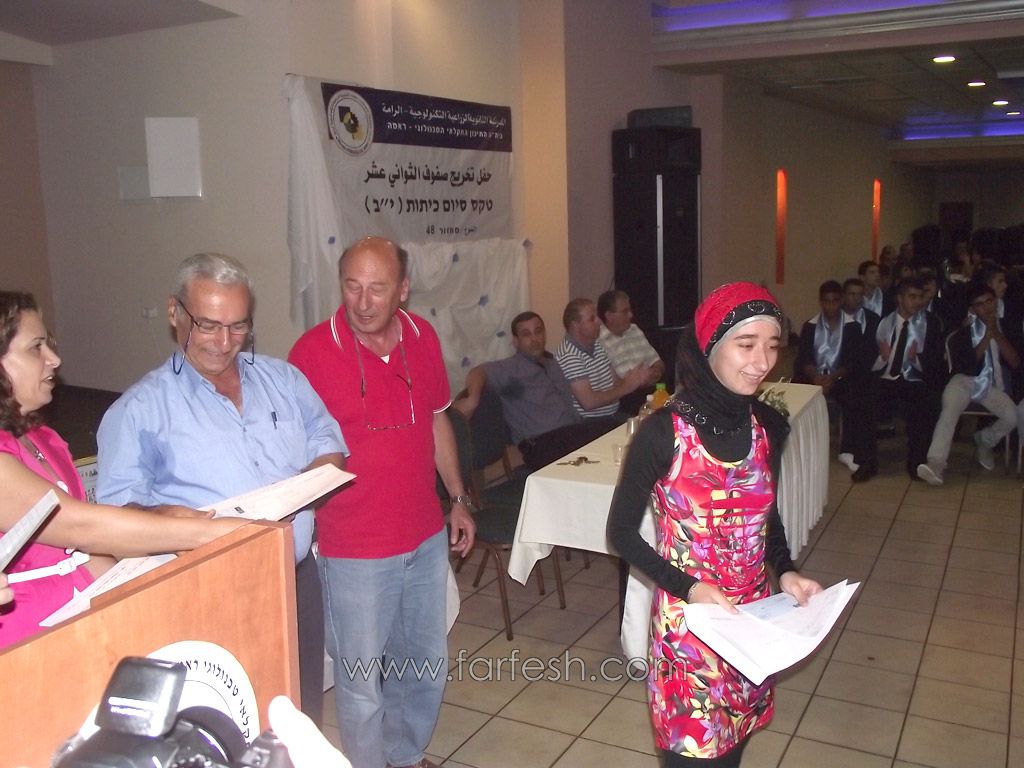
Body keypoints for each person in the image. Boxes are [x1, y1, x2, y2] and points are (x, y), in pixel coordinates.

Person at [96, 253, 347, 727]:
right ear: (175, 313)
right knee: (236, 721)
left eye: (238, 327)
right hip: (211, 591)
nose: (225, 342)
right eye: (208, 326)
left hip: (296, 578)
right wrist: (166, 517)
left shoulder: (282, 379)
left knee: (302, 713)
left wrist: (310, 480)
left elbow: (326, 438)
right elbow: (112, 518)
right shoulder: (138, 410)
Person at [607, 282, 821, 767]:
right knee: (693, 755)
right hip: (690, 628)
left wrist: (786, 570)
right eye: (746, 345)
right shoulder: (664, 432)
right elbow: (620, 533)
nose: (762, 362)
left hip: (751, 621)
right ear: (710, 348)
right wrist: (690, 587)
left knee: (734, 748)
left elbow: (764, 515)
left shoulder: (765, 427)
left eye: (772, 345)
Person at [288, 236, 475, 768]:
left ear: (403, 290)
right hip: (354, 547)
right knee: (362, 681)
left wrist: (458, 497)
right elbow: (294, 450)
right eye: (352, 287)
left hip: (424, 533)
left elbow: (437, 420)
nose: (362, 302)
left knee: (424, 664)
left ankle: (406, 755)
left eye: (377, 288)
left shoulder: (422, 336)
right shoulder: (311, 353)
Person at [0, 291, 245, 648]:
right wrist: (206, 534)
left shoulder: (45, 439)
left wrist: (153, 601)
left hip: (80, 626)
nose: (54, 359)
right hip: (25, 641)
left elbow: (87, 553)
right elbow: (79, 526)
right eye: (36, 348)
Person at [454, 311, 620, 471]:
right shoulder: (510, 368)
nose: (534, 339)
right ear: (516, 341)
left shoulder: (551, 362)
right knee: (610, 439)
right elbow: (477, 372)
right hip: (541, 443)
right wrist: (472, 399)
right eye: (526, 334)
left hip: (571, 431)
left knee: (618, 429)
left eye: (538, 331)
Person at [917, 283, 1020, 485]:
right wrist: (985, 338)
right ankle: (936, 463)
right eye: (980, 304)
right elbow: (966, 368)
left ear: (996, 302)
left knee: (1013, 417)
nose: (986, 308)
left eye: (989, 301)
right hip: (965, 381)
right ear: (973, 308)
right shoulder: (964, 332)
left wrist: (997, 335)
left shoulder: (1009, 326)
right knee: (950, 409)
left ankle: (985, 441)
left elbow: (1016, 363)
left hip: (993, 387)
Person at [855, 277, 945, 482]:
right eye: (912, 297)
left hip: (915, 379)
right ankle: (867, 462)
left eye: (920, 297)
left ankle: (916, 462)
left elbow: (936, 363)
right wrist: (882, 357)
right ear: (899, 298)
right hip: (886, 378)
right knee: (863, 401)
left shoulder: (930, 323)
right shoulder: (881, 322)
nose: (917, 302)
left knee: (927, 403)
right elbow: (865, 361)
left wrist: (916, 360)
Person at [794, 280, 869, 473]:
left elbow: (852, 360)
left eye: (835, 301)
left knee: (855, 394)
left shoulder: (852, 327)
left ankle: (847, 450)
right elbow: (804, 358)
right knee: (797, 392)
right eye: (827, 301)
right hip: (814, 377)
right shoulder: (810, 326)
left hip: (840, 377)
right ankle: (801, 446)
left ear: (841, 300)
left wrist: (832, 377)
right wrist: (816, 377)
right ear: (821, 302)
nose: (831, 306)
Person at [556, 297, 646, 419]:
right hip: (589, 422)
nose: (599, 321)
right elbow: (588, 402)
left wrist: (634, 378)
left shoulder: (596, 345)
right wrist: (626, 387)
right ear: (575, 325)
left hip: (612, 414)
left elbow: (615, 382)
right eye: (592, 319)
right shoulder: (569, 355)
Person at [597, 289, 665, 413]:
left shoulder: (634, 330)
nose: (630, 315)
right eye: (625, 311)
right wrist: (636, 381)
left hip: (652, 390)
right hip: (625, 399)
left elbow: (658, 362)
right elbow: (611, 385)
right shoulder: (599, 342)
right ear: (609, 316)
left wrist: (655, 373)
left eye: (630, 310)